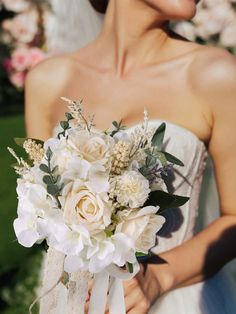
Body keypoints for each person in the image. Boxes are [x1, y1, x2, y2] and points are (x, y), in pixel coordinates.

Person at [25, 0, 236, 313]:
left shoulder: (215, 74)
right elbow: (42, 216)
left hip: (176, 300)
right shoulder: (48, 81)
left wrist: (159, 278)